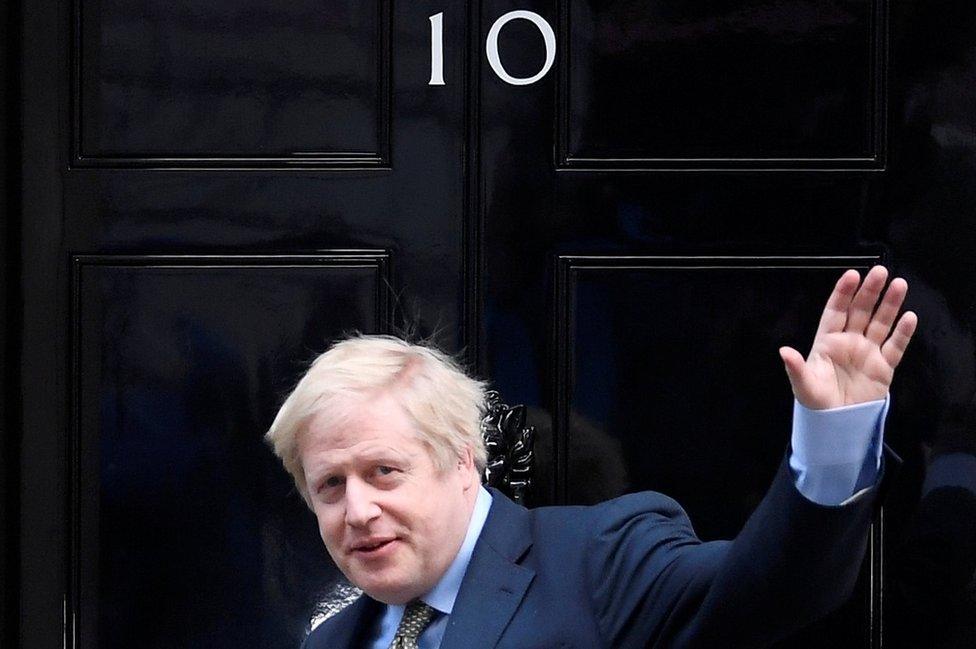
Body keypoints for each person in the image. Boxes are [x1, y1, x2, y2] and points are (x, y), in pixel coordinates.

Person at [266, 266, 917, 649]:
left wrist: (834, 441)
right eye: (329, 485)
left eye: (384, 471)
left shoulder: (600, 558)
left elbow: (769, 592)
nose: (357, 509)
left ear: (463, 456)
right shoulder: (331, 638)